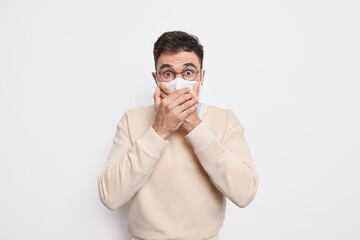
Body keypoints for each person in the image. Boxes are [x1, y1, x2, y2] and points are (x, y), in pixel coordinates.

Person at [97, 31, 259, 240]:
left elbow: (244, 193)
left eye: (189, 72)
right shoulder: (132, 120)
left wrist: (193, 125)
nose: (179, 82)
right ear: (156, 79)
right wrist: (160, 129)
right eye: (168, 74)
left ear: (201, 77)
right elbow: (110, 196)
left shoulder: (225, 120)